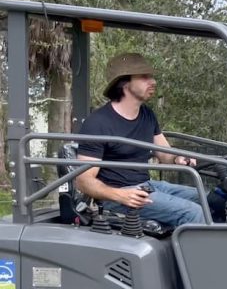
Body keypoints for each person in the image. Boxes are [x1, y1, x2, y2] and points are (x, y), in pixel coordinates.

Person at [76, 52, 204, 227]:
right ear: (125, 83)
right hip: (117, 196)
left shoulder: (147, 115)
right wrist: (121, 195)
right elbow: (84, 181)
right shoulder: (98, 123)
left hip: (147, 186)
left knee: (207, 197)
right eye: (144, 77)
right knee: (194, 213)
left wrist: (177, 159)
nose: (153, 82)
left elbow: (165, 155)